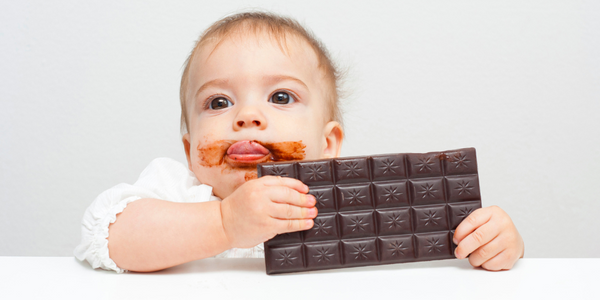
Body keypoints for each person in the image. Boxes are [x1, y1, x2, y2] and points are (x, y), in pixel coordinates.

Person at [74, 11, 524, 273]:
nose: (247, 116)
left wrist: (489, 244)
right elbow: (108, 237)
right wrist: (225, 224)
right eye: (218, 102)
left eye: (281, 96)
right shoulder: (175, 192)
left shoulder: (352, 202)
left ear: (328, 144)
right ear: (191, 150)